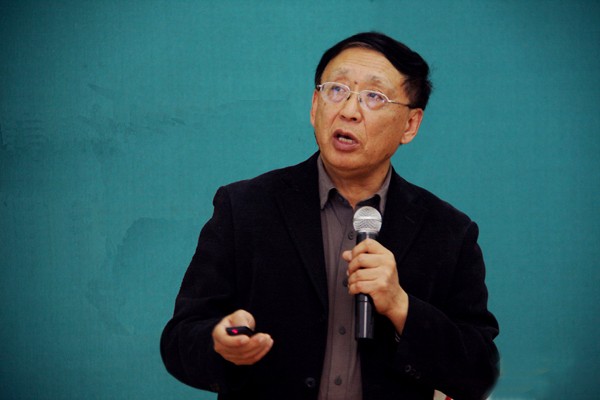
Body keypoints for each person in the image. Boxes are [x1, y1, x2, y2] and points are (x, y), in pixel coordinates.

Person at [160, 32, 499, 400]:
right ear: (314, 105)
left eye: (374, 96)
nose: (349, 110)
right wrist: (219, 344)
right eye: (337, 89)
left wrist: (401, 306)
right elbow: (180, 340)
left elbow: (478, 372)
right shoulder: (244, 207)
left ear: (410, 125)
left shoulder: (449, 232)